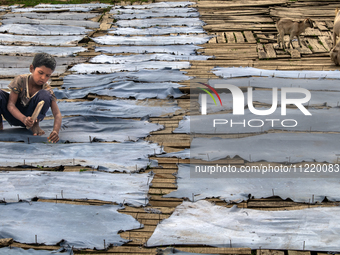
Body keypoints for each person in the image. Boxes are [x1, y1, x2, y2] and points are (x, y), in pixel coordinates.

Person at [0, 53, 62, 143]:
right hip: (13, 114)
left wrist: (56, 131)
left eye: (47, 75)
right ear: (31, 68)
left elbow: (57, 114)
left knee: (45, 95)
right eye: (40, 73)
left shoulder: (47, 89)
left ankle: (35, 125)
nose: (43, 78)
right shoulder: (20, 80)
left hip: (32, 119)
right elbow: (10, 105)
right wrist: (23, 119)